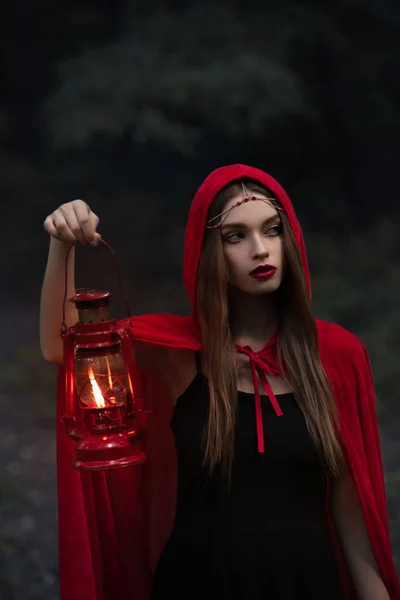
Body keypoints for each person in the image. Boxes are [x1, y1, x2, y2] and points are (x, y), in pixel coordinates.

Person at [40, 164, 399, 600]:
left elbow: (353, 524)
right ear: (208, 250)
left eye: (272, 230)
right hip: (200, 583)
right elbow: (64, 348)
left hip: (308, 583)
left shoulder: (336, 355)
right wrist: (62, 246)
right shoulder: (180, 352)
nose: (260, 250)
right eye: (236, 236)